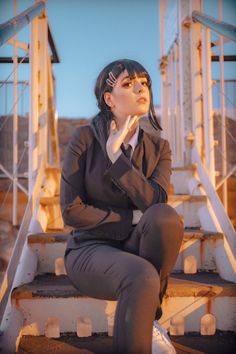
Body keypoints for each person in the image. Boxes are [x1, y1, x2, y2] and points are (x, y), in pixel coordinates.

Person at [60, 59, 183, 354]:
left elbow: (155, 205)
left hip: (139, 245)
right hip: (89, 249)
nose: (141, 88)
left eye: (144, 82)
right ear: (109, 99)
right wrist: (131, 218)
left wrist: (117, 159)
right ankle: (145, 319)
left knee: (165, 217)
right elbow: (71, 211)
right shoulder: (84, 139)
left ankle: (145, 319)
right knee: (141, 274)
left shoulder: (159, 148)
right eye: (128, 84)